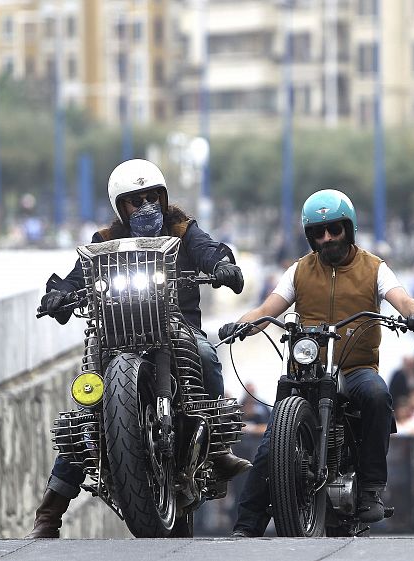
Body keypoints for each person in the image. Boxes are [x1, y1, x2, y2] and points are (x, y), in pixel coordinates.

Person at [27, 159, 252, 538]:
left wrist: (223, 265)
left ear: (163, 198)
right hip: (117, 336)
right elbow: (76, 277)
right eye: (136, 200)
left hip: (178, 328)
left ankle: (214, 448)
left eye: (152, 197)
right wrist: (58, 296)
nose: (146, 206)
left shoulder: (183, 229)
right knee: (88, 409)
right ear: (121, 207)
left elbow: (209, 250)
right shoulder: (104, 242)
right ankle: (50, 512)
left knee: (209, 356)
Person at [221, 189, 414, 536]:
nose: (327, 237)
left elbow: (403, 299)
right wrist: (241, 325)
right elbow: (265, 310)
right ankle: (247, 525)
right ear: (310, 236)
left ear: (349, 228)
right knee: (273, 437)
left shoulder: (374, 267)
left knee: (377, 395)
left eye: (334, 229)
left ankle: (370, 491)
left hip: (356, 368)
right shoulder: (299, 271)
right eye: (319, 232)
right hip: (307, 370)